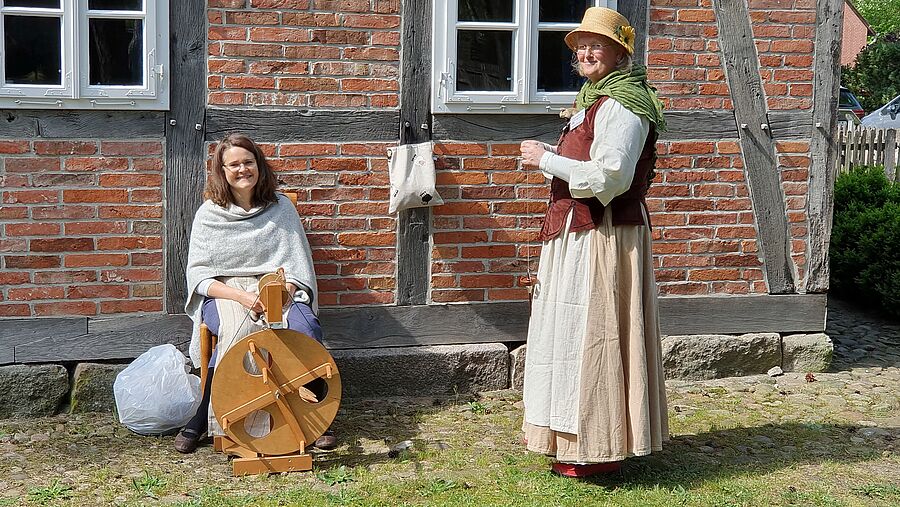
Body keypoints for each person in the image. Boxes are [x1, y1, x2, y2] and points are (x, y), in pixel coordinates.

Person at [518, 7, 669, 478]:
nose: (584, 51)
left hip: (604, 235)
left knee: (595, 335)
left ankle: (598, 445)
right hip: (579, 231)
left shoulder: (624, 104)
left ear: (620, 52)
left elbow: (611, 177)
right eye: (580, 43)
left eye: (596, 44)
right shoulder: (594, 99)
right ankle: (569, 439)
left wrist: (547, 160)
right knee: (567, 334)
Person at [173, 133, 336, 453]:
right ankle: (206, 415)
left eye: (248, 162)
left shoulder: (281, 207)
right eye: (233, 164)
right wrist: (245, 298)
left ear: (259, 166)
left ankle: (316, 414)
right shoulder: (209, 213)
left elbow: (298, 266)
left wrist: (283, 291)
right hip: (228, 292)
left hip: (276, 285)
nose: (242, 169)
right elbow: (200, 277)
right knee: (237, 333)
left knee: (305, 328)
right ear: (222, 170)